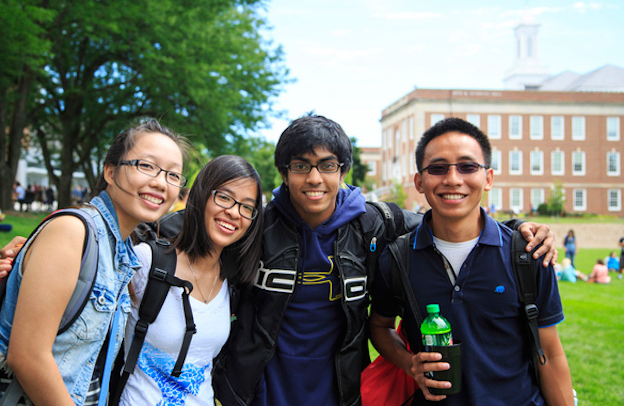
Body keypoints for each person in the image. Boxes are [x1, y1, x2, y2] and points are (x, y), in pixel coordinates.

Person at [211, 114, 559, 406]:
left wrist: (516, 229)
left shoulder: (372, 222)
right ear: (284, 173)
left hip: (341, 388)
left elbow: (448, 218)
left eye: (327, 166)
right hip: (262, 389)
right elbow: (197, 225)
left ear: (343, 171)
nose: (315, 178)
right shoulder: (255, 225)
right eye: (301, 166)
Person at [369, 118, 573, 405]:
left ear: (488, 178)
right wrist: (408, 363)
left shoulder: (528, 253)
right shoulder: (397, 259)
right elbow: (380, 326)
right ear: (419, 181)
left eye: (467, 167)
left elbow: (550, 355)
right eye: (438, 168)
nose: (453, 179)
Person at [0, 119, 189, 405]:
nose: (161, 182)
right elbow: (27, 356)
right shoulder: (73, 232)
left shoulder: (123, 253)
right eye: (147, 166)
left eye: (173, 175)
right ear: (110, 172)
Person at [119, 155, 263, 405]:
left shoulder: (233, 282)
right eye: (225, 197)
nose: (233, 212)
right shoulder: (147, 262)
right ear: (201, 196)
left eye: (247, 207)